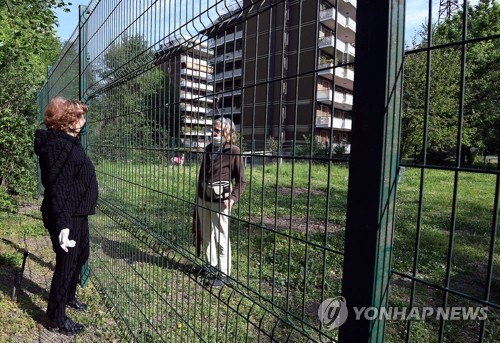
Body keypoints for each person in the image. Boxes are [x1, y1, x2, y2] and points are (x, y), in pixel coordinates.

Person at [34, 97, 98, 336]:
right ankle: (55, 317)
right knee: (67, 262)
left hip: (77, 211)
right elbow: (57, 188)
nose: (84, 120)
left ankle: (68, 298)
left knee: (81, 254)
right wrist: (62, 226)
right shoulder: (56, 147)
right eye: (79, 116)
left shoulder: (70, 141)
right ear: (66, 121)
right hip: (66, 214)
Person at [194, 117, 245, 287]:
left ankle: (224, 274)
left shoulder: (234, 151)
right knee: (207, 234)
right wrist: (198, 197)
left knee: (222, 237)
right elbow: (202, 175)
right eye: (213, 129)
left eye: (217, 130)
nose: (213, 133)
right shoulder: (208, 149)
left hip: (221, 202)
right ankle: (211, 265)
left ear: (227, 133)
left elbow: (241, 181)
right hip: (204, 198)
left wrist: (232, 198)